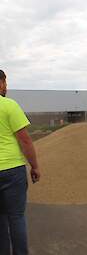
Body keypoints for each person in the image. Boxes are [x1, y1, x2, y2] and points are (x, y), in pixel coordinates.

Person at [0, 70, 40, 255]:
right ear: (0, 83)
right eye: (5, 82)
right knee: (16, 217)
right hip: (12, 170)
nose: (6, 86)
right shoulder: (9, 105)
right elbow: (25, 140)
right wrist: (35, 166)